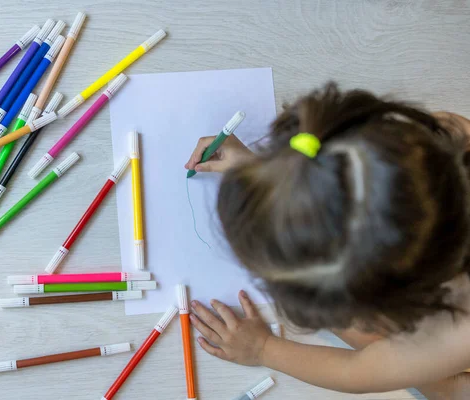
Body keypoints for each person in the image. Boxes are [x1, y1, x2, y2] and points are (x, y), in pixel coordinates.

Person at [184, 83, 470, 399]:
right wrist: (277, 183)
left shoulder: (456, 331)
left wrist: (264, 348)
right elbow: (361, 185)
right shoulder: (443, 142)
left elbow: (360, 371)